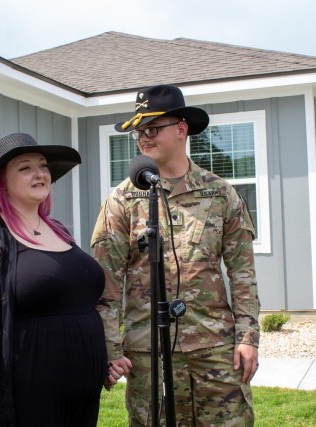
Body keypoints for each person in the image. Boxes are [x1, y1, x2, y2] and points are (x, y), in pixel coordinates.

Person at [91, 84, 261, 426]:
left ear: (181, 129)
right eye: (139, 132)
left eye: (152, 129)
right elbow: (105, 286)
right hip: (147, 352)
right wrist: (110, 350)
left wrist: (247, 337)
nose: (143, 138)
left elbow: (242, 273)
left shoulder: (220, 194)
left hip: (213, 349)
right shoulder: (122, 201)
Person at [0, 133, 122, 426]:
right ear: (0, 181)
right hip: (27, 393)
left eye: (43, 166)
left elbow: (76, 303)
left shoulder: (60, 231)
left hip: (82, 391)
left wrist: (106, 357)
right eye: (25, 167)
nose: (39, 173)